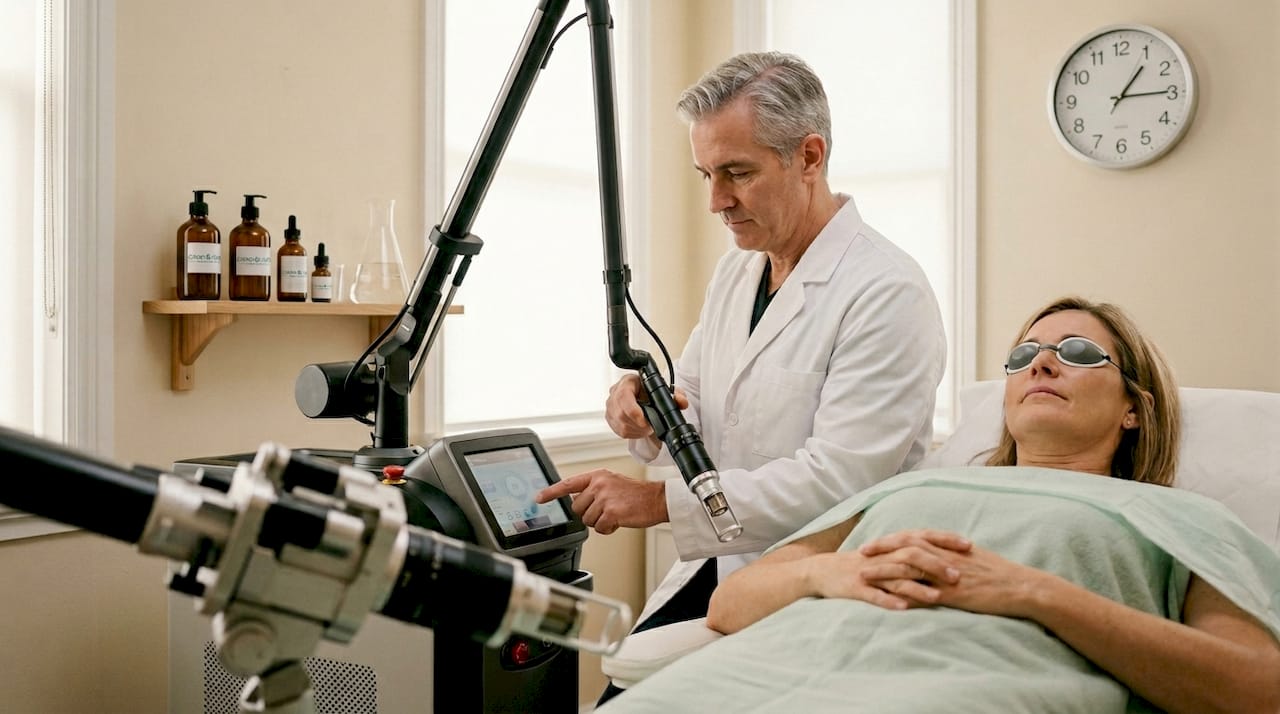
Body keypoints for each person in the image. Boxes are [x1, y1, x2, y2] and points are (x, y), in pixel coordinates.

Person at [597, 296, 1280, 713]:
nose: (1039, 364)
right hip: (755, 680)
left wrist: (1034, 592)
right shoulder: (914, 488)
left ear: (1134, 406)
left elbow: (1258, 691)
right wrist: (825, 574)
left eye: (1075, 352)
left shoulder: (1179, 520)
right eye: (1023, 355)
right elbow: (729, 603)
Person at [535, 51, 946, 701]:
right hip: (721, 567)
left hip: (819, 587)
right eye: (705, 174)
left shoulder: (887, 292)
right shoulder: (738, 271)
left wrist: (651, 503)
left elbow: (836, 483)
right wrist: (643, 411)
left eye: (737, 173)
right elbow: (693, 402)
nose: (715, 201)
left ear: (809, 157)